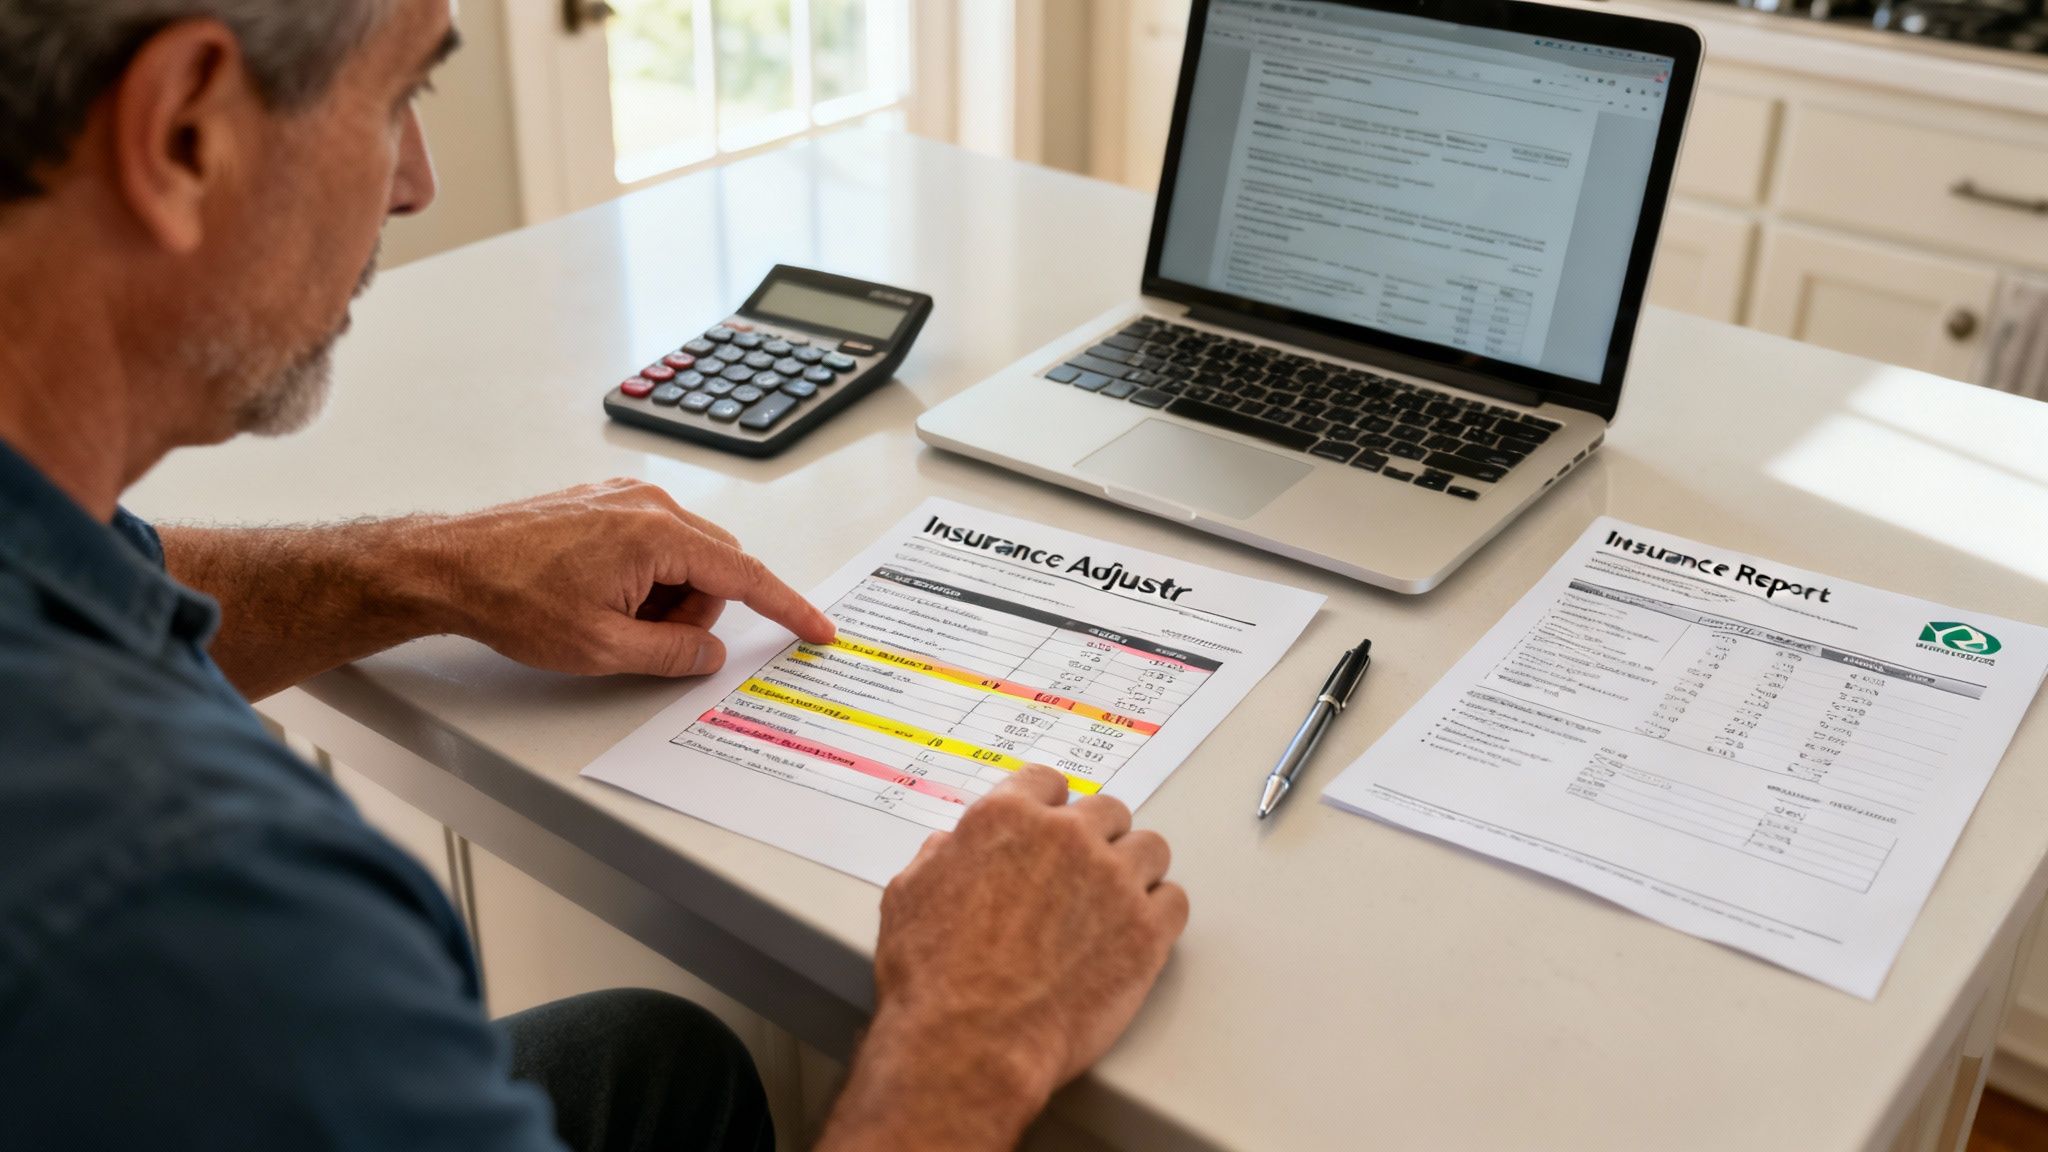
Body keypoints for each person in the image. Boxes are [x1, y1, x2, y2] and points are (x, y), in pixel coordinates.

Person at [0, 2, 1190, 1149]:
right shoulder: (184, 892)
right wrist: (975, 1033)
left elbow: (89, 582)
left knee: (655, 1065)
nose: (417, 182)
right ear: (182, 134)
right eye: (396, 98)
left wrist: (414, 568)